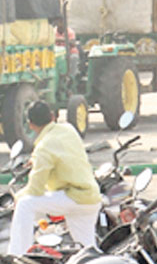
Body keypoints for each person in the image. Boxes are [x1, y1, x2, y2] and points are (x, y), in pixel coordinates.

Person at [9, 101, 101, 256]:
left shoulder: (43, 147)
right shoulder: (69, 130)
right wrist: (35, 160)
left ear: (30, 125)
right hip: (91, 198)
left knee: (25, 204)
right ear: (52, 116)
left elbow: (35, 189)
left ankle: (18, 257)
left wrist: (16, 198)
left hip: (73, 197)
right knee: (88, 252)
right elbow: (62, 153)